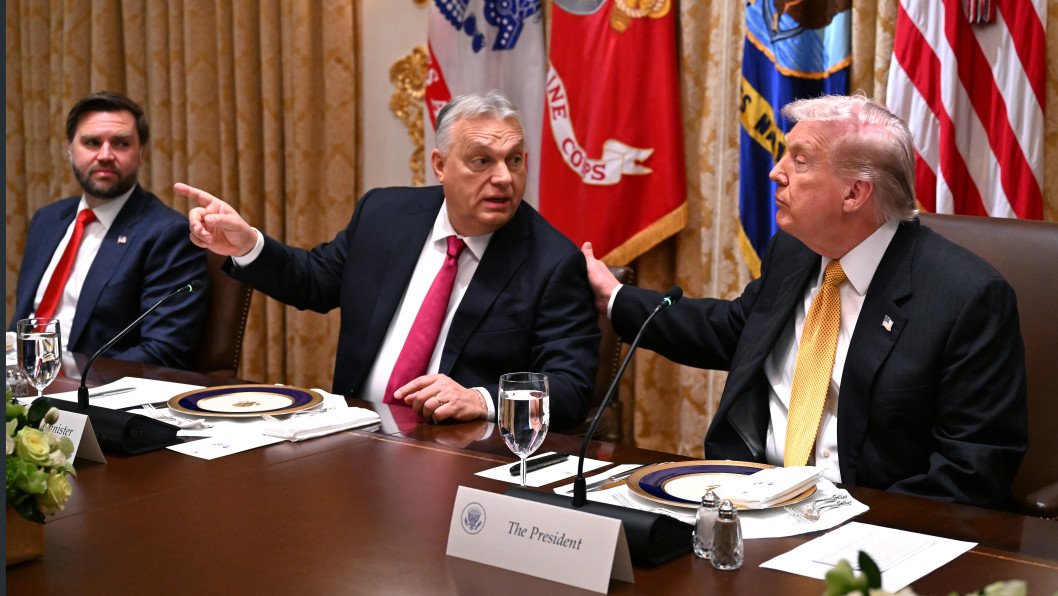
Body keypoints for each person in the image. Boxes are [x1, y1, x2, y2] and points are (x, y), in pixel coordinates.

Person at [582, 94, 1027, 509]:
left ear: (854, 194)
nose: (776, 172)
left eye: (800, 161)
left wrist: (854, 524)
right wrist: (615, 298)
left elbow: (972, 469)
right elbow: (732, 329)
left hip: (869, 524)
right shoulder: (795, 251)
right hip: (751, 500)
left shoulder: (966, 298)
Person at [179, 91, 599, 430]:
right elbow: (315, 281)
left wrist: (481, 399)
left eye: (514, 160)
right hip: (352, 436)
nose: (504, 177)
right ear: (440, 165)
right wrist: (248, 245)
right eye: (481, 161)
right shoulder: (384, 215)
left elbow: (571, 389)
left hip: (455, 456)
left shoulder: (552, 262)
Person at [10, 91, 209, 369]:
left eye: (121, 143)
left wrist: (67, 375)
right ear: (70, 149)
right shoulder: (48, 219)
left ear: (141, 153)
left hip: (89, 387)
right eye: (92, 142)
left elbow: (163, 351)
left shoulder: (167, 234)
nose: (105, 155)